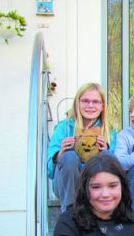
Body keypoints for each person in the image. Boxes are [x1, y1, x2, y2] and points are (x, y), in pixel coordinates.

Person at [47, 83, 116, 212]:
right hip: (67, 186)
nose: (90, 106)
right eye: (85, 101)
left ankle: (105, 210)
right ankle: (71, 213)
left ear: (102, 106)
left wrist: (106, 150)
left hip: (95, 185)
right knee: (69, 156)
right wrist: (60, 153)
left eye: (95, 102)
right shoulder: (64, 127)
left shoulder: (109, 131)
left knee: (109, 156)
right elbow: (49, 171)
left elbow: (117, 168)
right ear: (77, 103)